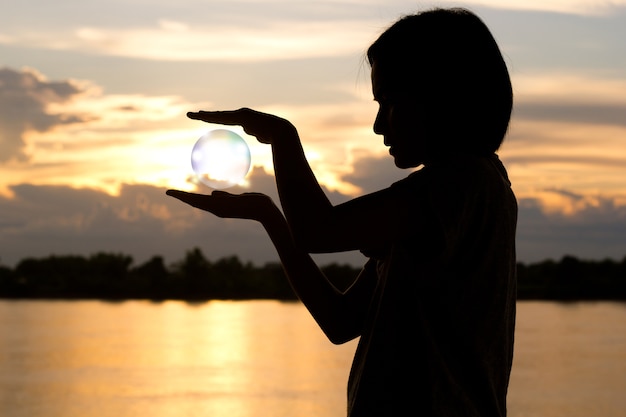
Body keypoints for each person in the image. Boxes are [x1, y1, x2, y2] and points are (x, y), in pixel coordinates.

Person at [167, 7, 517, 417]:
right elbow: (340, 320)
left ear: (441, 97)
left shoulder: (461, 186)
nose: (378, 125)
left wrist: (283, 136)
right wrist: (268, 215)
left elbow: (318, 231)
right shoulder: (442, 202)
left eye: (389, 103)